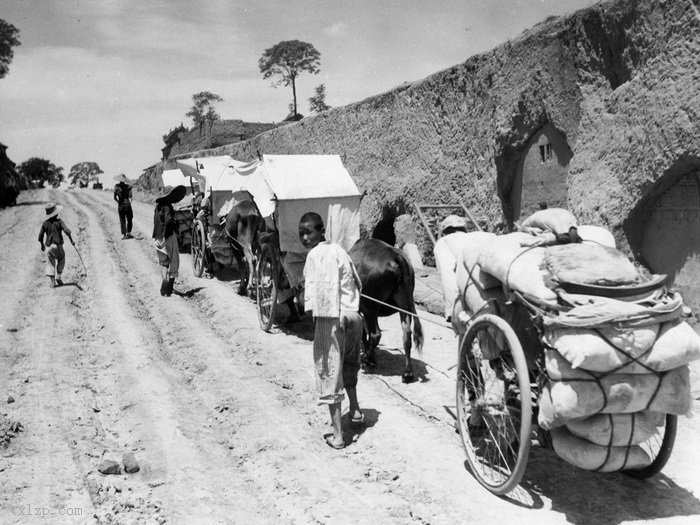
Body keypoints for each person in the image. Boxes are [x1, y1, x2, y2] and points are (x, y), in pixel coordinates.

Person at [300, 212, 364, 450]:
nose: (305, 237)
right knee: (349, 363)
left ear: (321, 231)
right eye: (302, 234)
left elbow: (317, 291)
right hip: (353, 316)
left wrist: (317, 318)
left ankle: (338, 436)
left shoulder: (314, 255)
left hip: (332, 317)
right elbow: (356, 281)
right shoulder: (339, 250)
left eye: (309, 232)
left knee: (328, 370)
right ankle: (355, 411)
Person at [433, 215, 470, 322]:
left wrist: (451, 310)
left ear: (446, 230)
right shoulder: (472, 237)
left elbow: (447, 274)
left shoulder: (444, 242)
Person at [152, 186, 184, 297]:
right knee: (174, 261)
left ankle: (164, 279)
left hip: (158, 239)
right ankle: (170, 286)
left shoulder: (157, 208)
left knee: (164, 263)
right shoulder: (168, 208)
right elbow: (169, 222)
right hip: (169, 237)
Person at [38, 202, 75, 288]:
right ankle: (58, 274)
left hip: (49, 247)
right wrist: (71, 241)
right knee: (62, 258)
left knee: (50, 262)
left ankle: (52, 282)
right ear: (55, 213)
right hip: (58, 246)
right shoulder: (59, 221)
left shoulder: (45, 223)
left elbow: (40, 236)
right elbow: (67, 231)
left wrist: (42, 245)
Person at [113, 174, 134, 239]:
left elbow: (115, 197)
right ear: (125, 180)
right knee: (130, 218)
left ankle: (124, 235)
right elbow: (130, 196)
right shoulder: (128, 186)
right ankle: (129, 233)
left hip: (121, 204)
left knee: (122, 219)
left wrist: (118, 202)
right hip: (127, 204)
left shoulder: (116, 186)